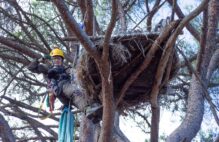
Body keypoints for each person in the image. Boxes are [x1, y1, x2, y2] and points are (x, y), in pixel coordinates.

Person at [28, 48, 102, 123]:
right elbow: (31, 68)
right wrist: (40, 60)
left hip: (65, 97)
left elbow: (76, 76)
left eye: (59, 59)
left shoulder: (66, 69)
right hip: (61, 87)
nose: (57, 60)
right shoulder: (47, 68)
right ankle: (89, 110)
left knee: (80, 98)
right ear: (52, 60)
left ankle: (94, 116)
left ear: (62, 60)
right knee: (76, 93)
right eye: (55, 59)